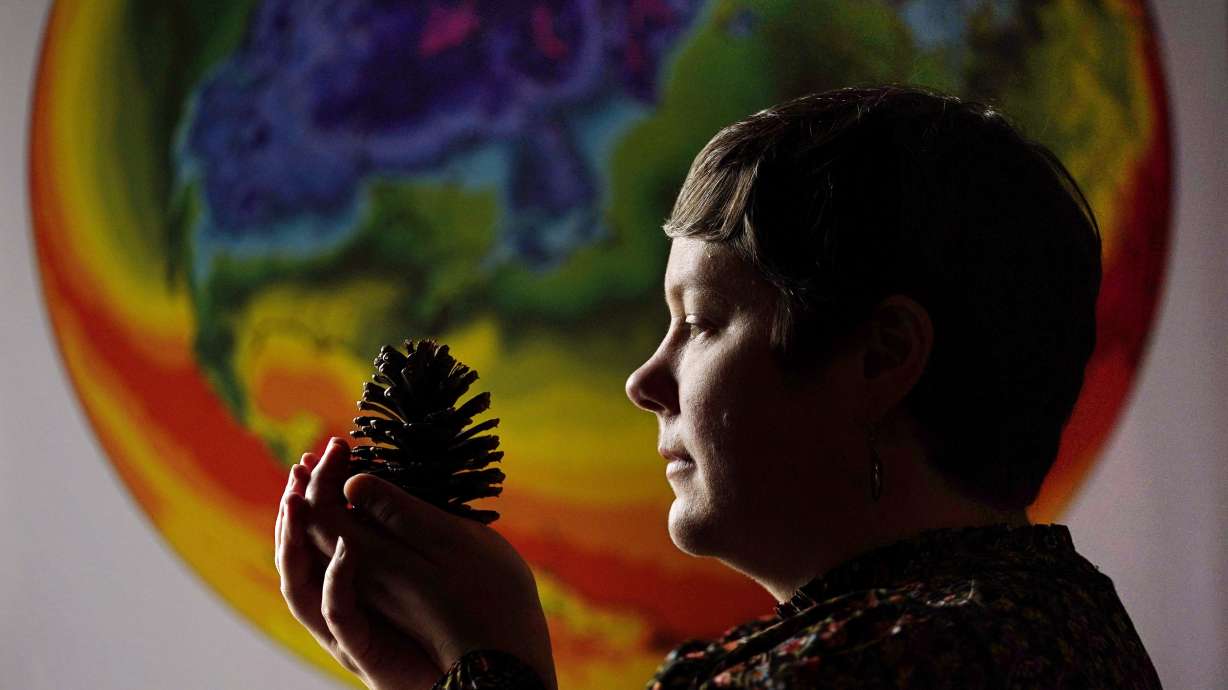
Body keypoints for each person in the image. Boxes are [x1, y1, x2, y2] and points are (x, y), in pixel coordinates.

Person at [274, 85, 1163, 689]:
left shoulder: (894, 666)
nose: (645, 381)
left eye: (698, 322)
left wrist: (492, 661)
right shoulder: (1052, 627)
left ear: (879, 358)